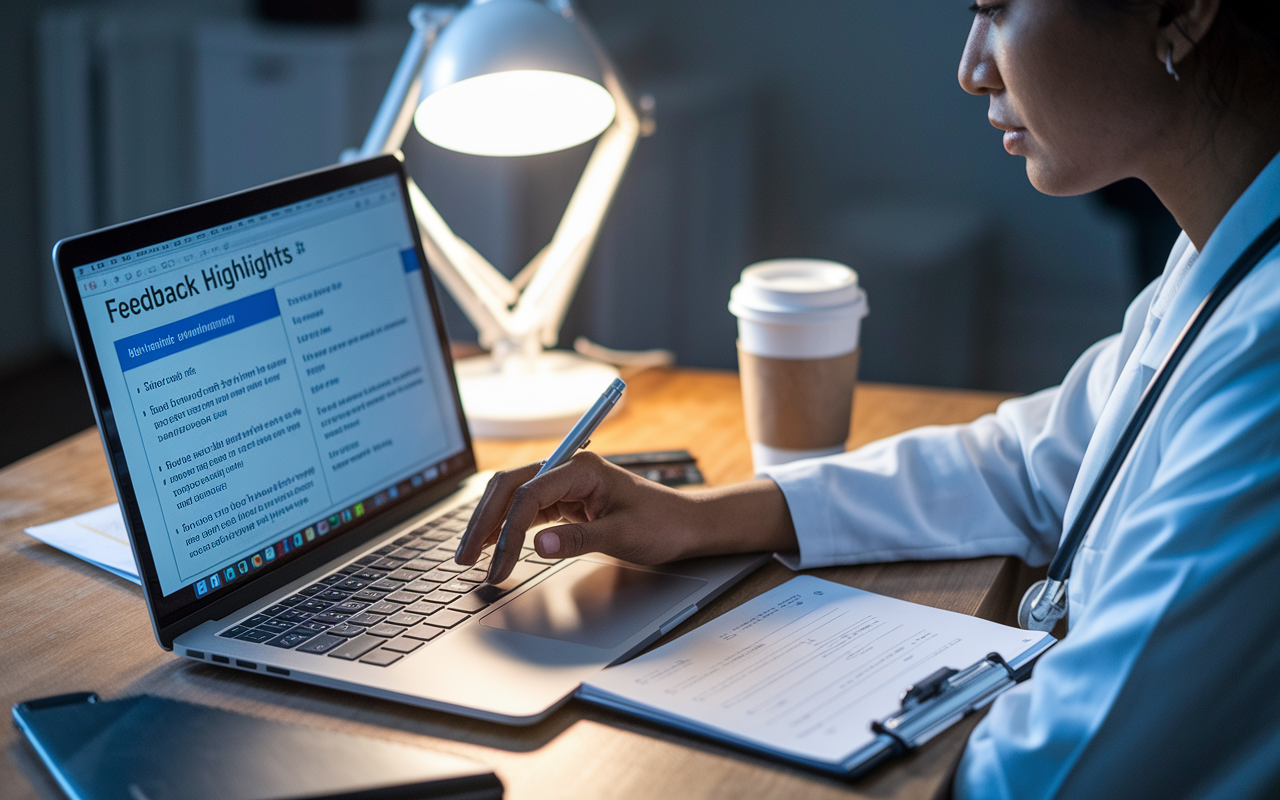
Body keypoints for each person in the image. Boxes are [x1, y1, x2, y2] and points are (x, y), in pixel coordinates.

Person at [455, 0, 1280, 796]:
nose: (970, 69)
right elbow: (1028, 463)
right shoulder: (1217, 258)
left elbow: (1049, 777)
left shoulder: (1266, 357)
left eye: (996, 6)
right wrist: (698, 516)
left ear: (1181, 9)